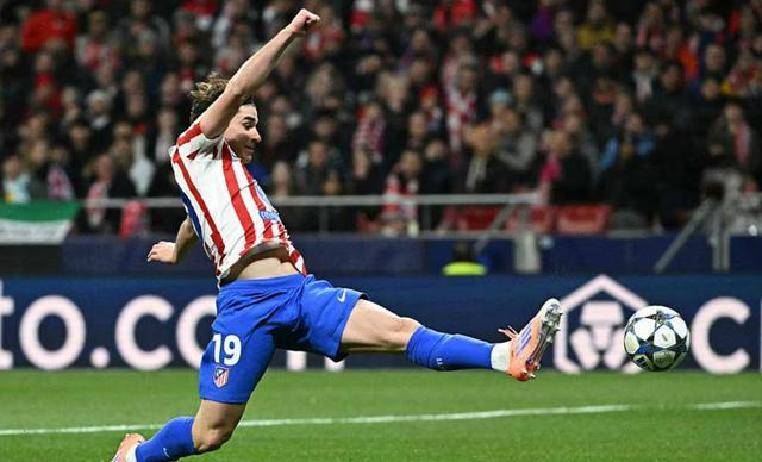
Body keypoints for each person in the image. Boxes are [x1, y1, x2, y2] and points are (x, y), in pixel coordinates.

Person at [111, 10, 562, 462]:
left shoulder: (231, 180)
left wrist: (177, 249)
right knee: (210, 434)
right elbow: (237, 89)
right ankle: (137, 457)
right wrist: (290, 34)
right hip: (246, 307)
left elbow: (195, 218)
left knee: (401, 331)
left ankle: (505, 356)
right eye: (247, 123)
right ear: (218, 118)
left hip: (299, 293)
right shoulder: (191, 153)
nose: (257, 135)